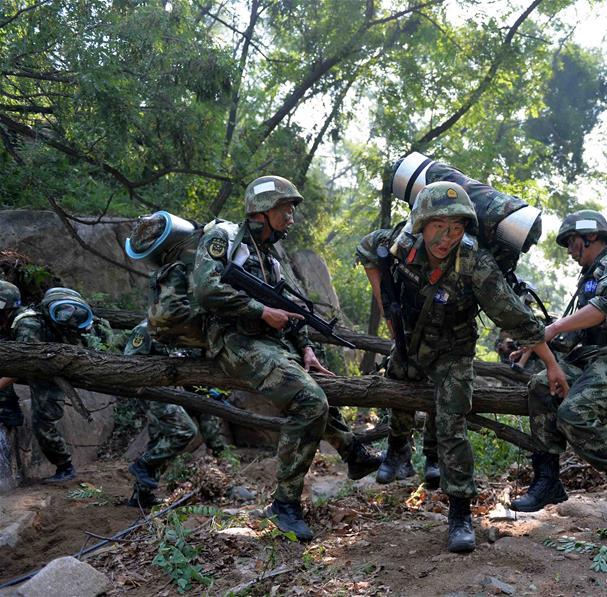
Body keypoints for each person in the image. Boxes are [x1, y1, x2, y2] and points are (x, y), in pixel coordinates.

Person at [356, 181, 569, 553]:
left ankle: (459, 515)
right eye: (439, 226)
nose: (446, 237)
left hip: (453, 349)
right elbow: (366, 251)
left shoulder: (474, 261)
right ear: (421, 223)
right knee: (398, 385)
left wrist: (550, 363)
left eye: (456, 229)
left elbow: (514, 315)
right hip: (410, 341)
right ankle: (398, 449)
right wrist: (384, 301)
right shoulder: (401, 244)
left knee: (452, 421)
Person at [191, 175, 381, 540]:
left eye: (292, 210)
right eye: (285, 209)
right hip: (233, 340)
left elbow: (286, 311)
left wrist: (306, 346)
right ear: (262, 211)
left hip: (271, 343)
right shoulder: (224, 239)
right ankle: (285, 505)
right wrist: (258, 310)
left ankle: (353, 453)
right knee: (309, 401)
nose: (291, 217)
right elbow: (205, 288)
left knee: (319, 388)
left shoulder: (270, 257)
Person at [510, 210, 607, 527]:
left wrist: (553, 329)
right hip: (593, 358)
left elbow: (606, 308)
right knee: (539, 386)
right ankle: (548, 480)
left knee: (573, 414)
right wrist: (532, 344)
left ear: (588, 237)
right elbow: (573, 334)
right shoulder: (588, 279)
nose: (569, 250)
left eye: (571, 242)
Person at [0, 287, 114, 482]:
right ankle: (9, 410)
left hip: (50, 369)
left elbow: (22, 366)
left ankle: (65, 467)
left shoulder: (27, 325)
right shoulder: (14, 320)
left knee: (43, 422)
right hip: (37, 364)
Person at [123, 321, 229, 508]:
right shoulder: (146, 329)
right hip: (149, 389)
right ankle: (143, 463)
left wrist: (205, 391)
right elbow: (129, 365)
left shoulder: (193, 332)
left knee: (161, 441)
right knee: (184, 431)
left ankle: (141, 496)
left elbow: (190, 367)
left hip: (173, 391)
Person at [0, 280, 24, 428]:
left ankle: (8, 411)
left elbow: (23, 366)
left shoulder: (26, 324)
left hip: (45, 371)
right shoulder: (5, 317)